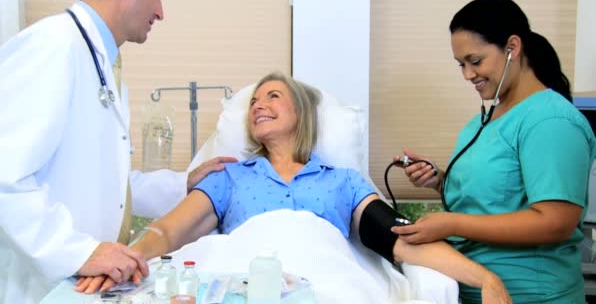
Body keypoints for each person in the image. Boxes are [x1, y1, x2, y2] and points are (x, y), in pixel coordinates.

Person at [76, 73, 512, 303]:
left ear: (301, 114)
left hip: (324, 278)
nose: (259, 106)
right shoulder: (229, 175)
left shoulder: (341, 181)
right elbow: (169, 232)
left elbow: (400, 239)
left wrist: (485, 278)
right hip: (245, 279)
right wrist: (119, 259)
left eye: (272, 97)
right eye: (254, 102)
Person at [0, 0, 236, 302]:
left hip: (84, 285)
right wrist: (80, 253)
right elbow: (5, 177)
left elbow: (107, 183)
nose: (161, 11)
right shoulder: (51, 46)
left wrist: (181, 184)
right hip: (38, 288)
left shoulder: (102, 66)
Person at [392, 0, 596, 303]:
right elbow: (493, 200)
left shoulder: (550, 121)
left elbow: (556, 221)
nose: (468, 75)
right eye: (461, 65)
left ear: (512, 48)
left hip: (529, 294)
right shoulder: (485, 120)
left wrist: (452, 223)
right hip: (475, 289)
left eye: (475, 61)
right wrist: (438, 180)